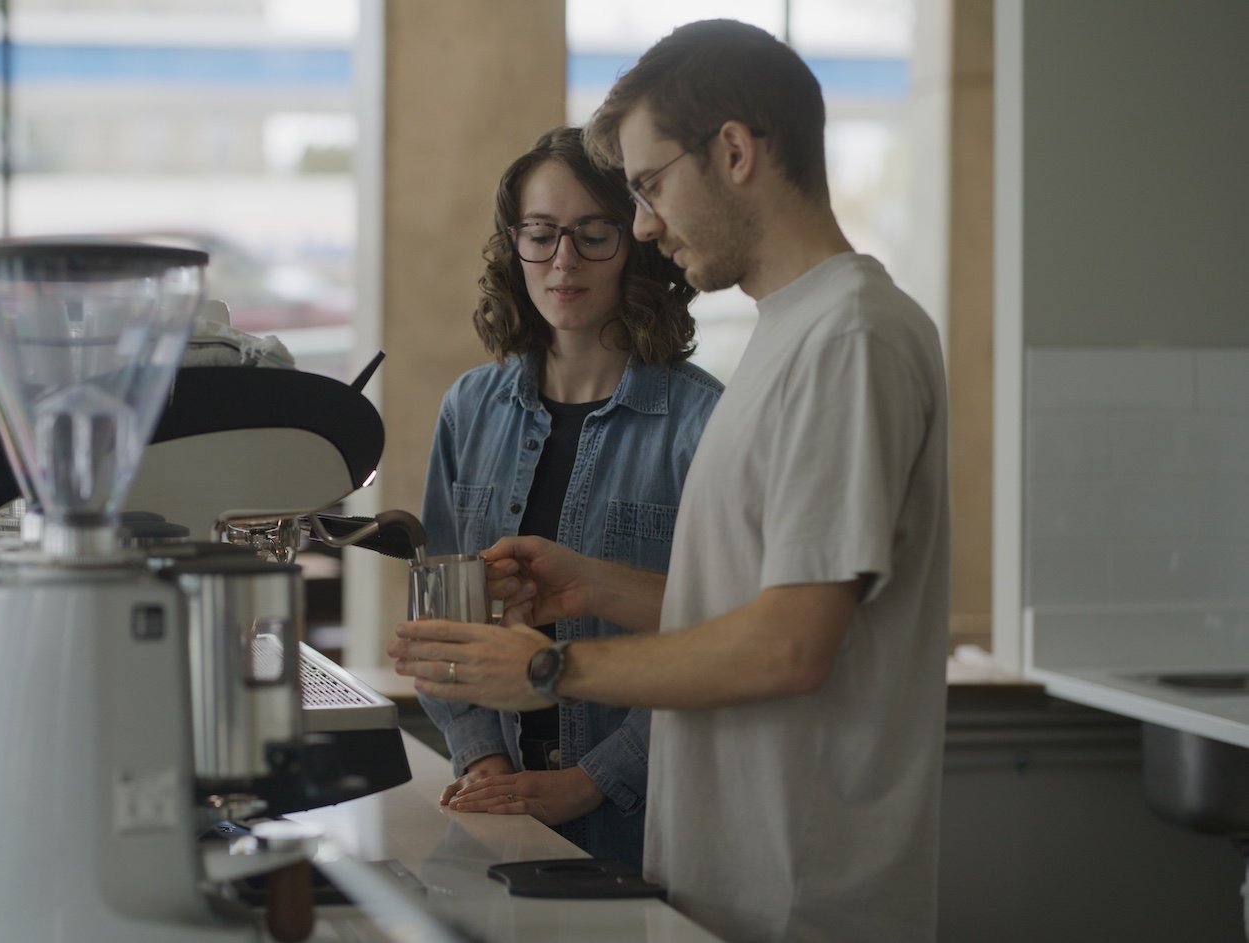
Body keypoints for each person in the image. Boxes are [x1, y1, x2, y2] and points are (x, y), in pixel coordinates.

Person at [389, 20, 950, 943]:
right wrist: (597, 585)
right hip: (729, 877)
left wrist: (544, 664)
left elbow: (789, 647)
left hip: (803, 893)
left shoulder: (850, 337)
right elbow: (752, 601)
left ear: (732, 151)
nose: (645, 225)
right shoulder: (791, 332)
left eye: (646, 189)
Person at [417, 126, 722, 866]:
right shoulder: (470, 407)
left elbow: (721, 638)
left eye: (593, 235)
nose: (563, 262)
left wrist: (591, 780)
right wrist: (484, 760)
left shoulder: (703, 421)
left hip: (642, 820)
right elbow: (439, 617)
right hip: (496, 807)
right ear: (512, 244)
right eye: (542, 234)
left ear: (639, 243)